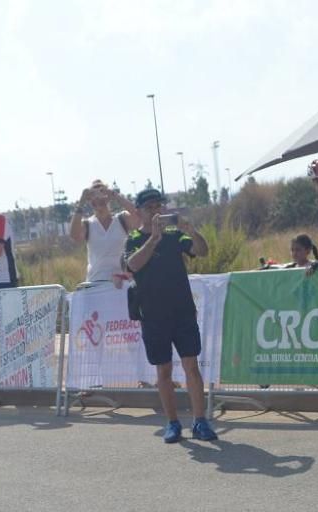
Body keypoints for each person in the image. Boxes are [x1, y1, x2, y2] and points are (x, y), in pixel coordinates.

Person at [123, 187, 217, 443]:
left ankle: (200, 421)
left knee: (191, 366)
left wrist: (192, 231)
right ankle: (173, 423)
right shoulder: (133, 238)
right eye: (150, 207)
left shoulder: (175, 235)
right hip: (153, 315)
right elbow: (132, 265)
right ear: (140, 211)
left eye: (158, 206)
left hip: (182, 311)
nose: (156, 211)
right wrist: (153, 239)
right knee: (163, 371)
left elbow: (202, 250)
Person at [70, 180, 140, 286]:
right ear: (89, 199)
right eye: (93, 194)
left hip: (122, 282)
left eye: (101, 192)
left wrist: (114, 195)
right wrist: (82, 201)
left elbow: (138, 217)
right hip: (96, 282)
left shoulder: (122, 219)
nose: (98, 198)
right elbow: (74, 236)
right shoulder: (88, 224)